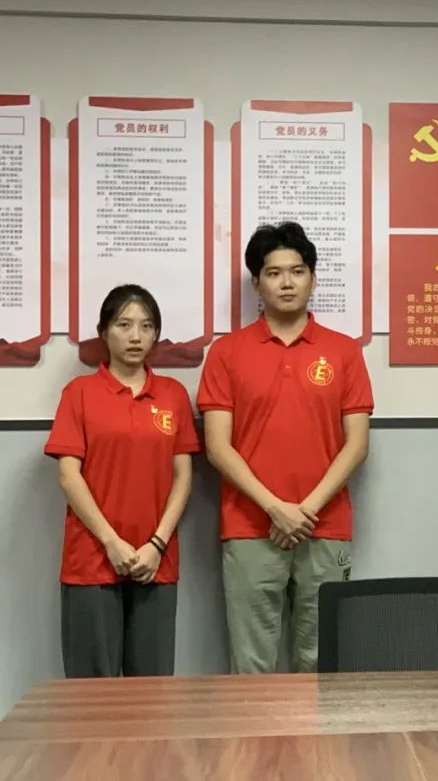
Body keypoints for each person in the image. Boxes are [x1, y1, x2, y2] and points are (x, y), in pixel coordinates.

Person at [198, 222, 374, 674]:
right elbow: (217, 447)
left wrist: (304, 511)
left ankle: (317, 732)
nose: (287, 282)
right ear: (256, 283)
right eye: (274, 273)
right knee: (251, 663)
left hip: (325, 525)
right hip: (249, 526)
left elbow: (356, 445)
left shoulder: (344, 352)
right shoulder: (226, 352)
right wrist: (275, 508)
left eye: (297, 271)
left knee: (322, 661)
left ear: (313, 278)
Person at [45, 285, 198, 678]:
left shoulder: (173, 395)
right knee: (92, 688)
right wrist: (111, 542)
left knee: (151, 688)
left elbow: (183, 477)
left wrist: (157, 543)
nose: (135, 336)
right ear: (104, 331)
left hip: (155, 560)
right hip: (91, 559)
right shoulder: (79, 393)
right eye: (124, 325)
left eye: (146, 326)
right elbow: (68, 476)